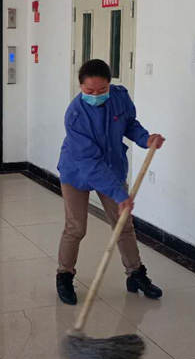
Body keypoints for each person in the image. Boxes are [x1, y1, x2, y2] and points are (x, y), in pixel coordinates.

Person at [56, 59, 165, 305]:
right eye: (89, 91)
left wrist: (146, 139)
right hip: (77, 171)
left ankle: (135, 274)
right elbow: (90, 164)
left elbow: (130, 124)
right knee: (76, 228)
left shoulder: (119, 97)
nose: (96, 95)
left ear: (110, 84)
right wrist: (119, 194)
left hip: (112, 167)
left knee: (123, 224)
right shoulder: (75, 115)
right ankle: (64, 275)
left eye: (101, 90)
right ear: (80, 86)